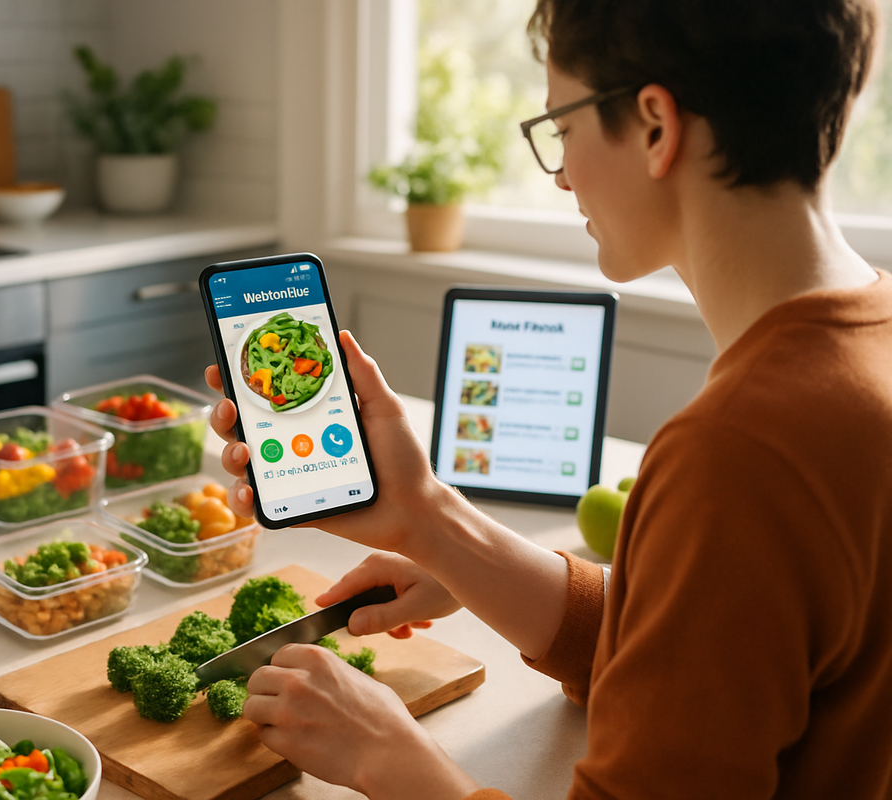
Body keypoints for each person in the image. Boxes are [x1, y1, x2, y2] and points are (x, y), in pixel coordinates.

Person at [205, 0, 892, 797]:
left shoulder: (738, 453)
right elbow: (711, 652)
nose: (561, 172)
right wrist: (432, 521)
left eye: (560, 128)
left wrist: (386, 757)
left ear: (655, 126)